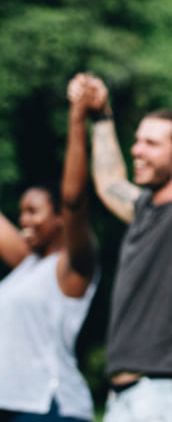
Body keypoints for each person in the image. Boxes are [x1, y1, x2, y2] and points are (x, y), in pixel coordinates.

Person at [81, 72, 172, 422]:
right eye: (138, 140)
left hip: (166, 393)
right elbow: (110, 181)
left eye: (151, 143)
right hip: (125, 395)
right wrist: (101, 116)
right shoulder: (143, 209)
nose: (137, 150)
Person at [0, 75, 101, 422]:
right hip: (15, 409)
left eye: (33, 211)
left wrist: (77, 117)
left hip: (52, 408)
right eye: (21, 212)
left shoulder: (70, 269)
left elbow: (74, 199)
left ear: (59, 218)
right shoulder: (29, 266)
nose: (24, 220)